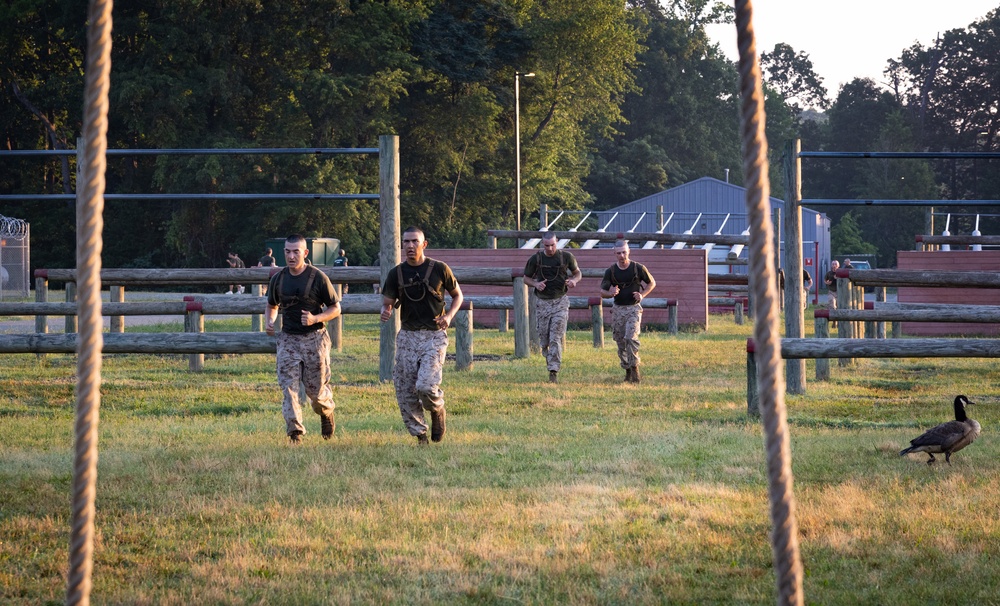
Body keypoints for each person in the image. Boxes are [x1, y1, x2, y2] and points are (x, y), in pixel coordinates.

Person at [380, 227, 463, 445]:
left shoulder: (439, 269)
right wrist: (386, 310)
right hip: (408, 336)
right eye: (405, 242)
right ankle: (420, 436)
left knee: (425, 386)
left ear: (424, 244)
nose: (409, 246)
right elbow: (387, 302)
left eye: (414, 241)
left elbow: (457, 296)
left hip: (434, 335)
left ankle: (437, 410)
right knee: (405, 389)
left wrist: (450, 315)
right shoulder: (396, 273)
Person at [264, 235, 341, 444]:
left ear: (305, 253)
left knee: (315, 392)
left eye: (295, 251)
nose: (291, 255)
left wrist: (316, 317)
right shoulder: (278, 279)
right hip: (288, 339)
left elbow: (336, 308)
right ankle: (295, 433)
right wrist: (270, 321)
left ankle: (326, 412)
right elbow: (272, 305)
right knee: (288, 387)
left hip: (314, 339)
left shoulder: (318, 277)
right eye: (287, 251)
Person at [523, 232, 582, 383]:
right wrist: (536, 284)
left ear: (557, 242)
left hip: (560, 302)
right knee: (545, 340)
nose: (550, 248)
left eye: (552, 245)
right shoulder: (536, 259)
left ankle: (553, 371)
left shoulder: (566, 257)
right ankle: (549, 362)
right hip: (542, 303)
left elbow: (577, 273)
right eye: (546, 245)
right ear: (543, 244)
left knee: (556, 337)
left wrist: (574, 281)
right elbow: (526, 278)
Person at [600, 240, 656, 383]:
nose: (622, 255)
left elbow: (651, 283)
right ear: (614, 254)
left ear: (629, 251)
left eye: (624, 252)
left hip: (633, 309)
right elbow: (602, 291)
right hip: (618, 310)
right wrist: (611, 292)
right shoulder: (611, 271)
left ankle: (635, 368)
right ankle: (627, 370)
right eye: (618, 253)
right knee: (620, 342)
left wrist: (642, 295)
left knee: (631, 338)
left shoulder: (638, 268)